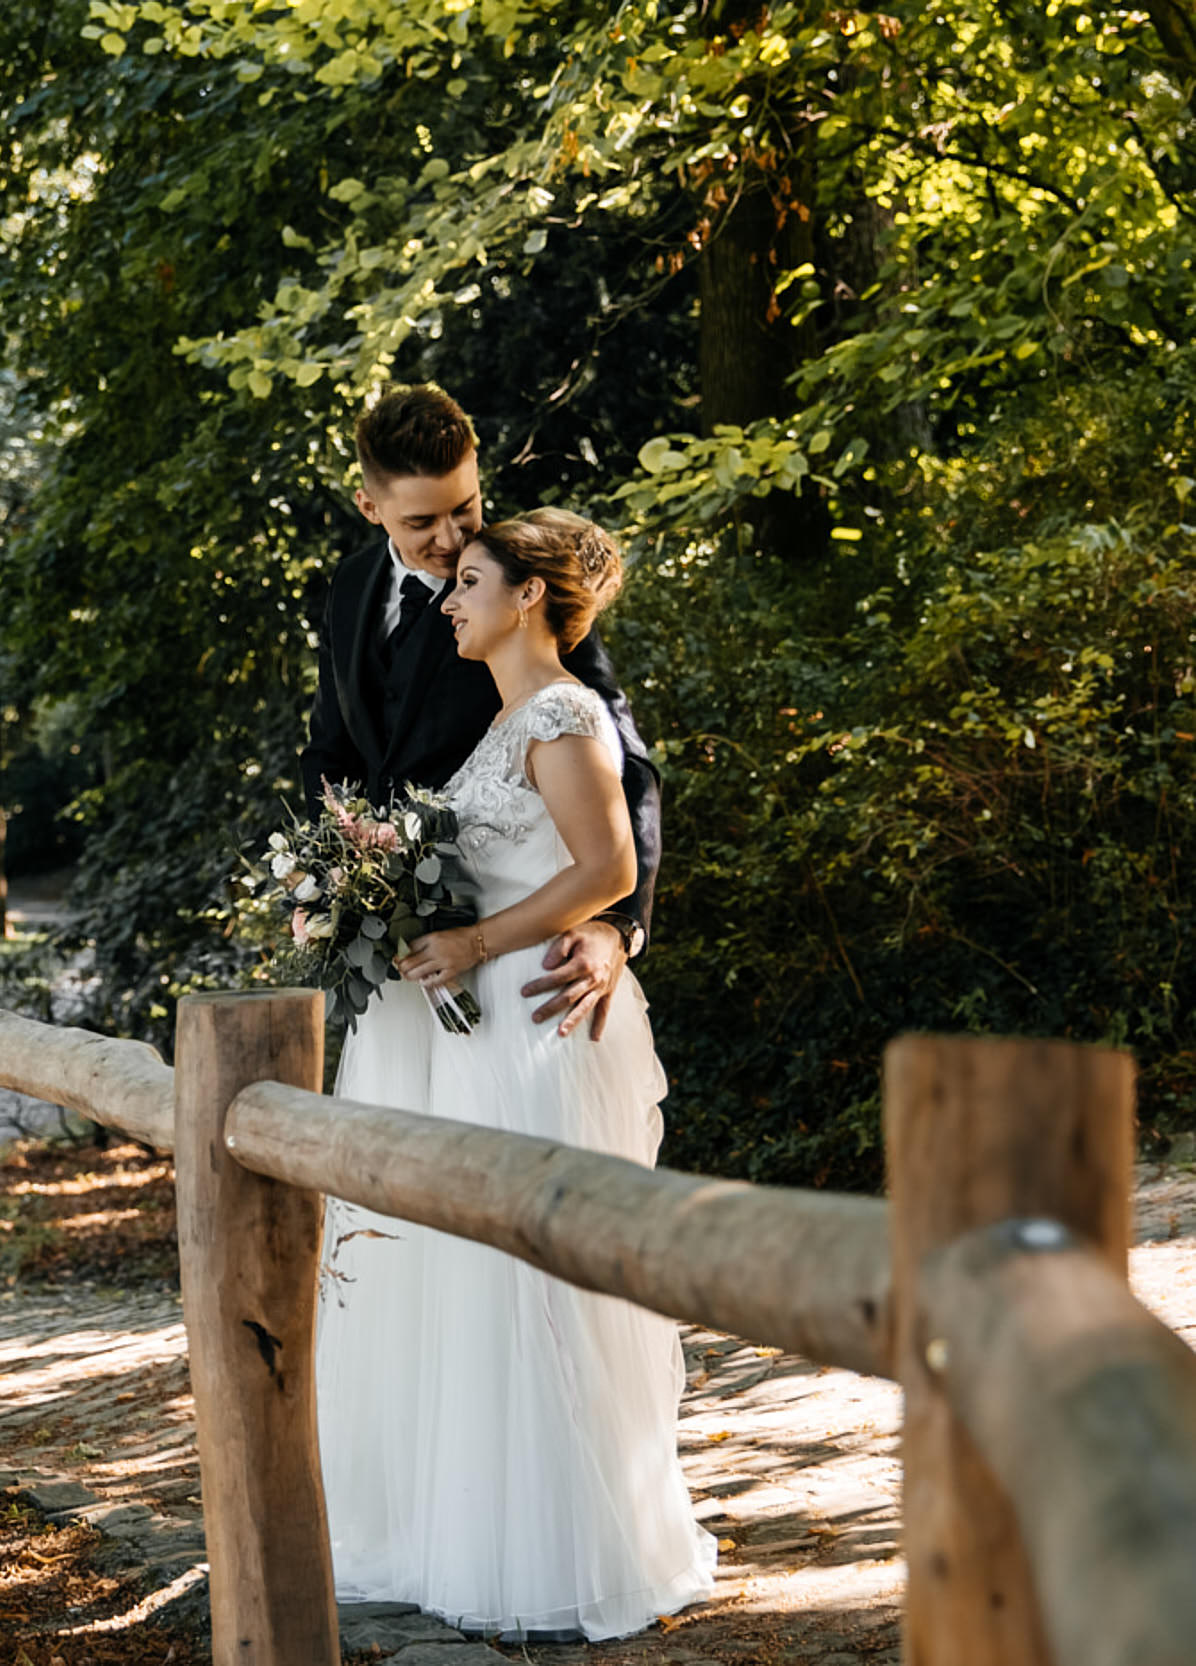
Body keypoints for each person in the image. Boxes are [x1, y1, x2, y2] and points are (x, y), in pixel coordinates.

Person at [316, 506, 716, 1640]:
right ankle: (465, 1528)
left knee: (533, 1283)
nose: (452, 595)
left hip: (531, 1026)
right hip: (476, 1029)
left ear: (528, 597)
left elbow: (607, 864)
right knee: (469, 1282)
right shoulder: (503, 718)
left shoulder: (561, 709)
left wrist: (485, 943)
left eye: (473, 578)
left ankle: (565, 1545)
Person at [298, 385, 659, 1040]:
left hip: (504, 956)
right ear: (370, 507)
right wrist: (330, 884)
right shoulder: (349, 587)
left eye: (465, 508)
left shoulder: (524, 579)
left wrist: (618, 923)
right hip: (399, 954)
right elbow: (332, 751)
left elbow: (620, 760)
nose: (452, 537)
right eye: (420, 523)